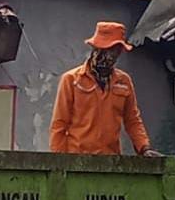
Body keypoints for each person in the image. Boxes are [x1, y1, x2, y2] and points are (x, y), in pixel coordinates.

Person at [50, 22, 159, 156]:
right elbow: (59, 125)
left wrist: (144, 148)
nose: (112, 55)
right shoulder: (71, 80)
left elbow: (132, 121)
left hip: (110, 161)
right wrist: (58, 163)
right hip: (77, 160)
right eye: (109, 49)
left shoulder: (124, 81)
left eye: (117, 50)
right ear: (96, 48)